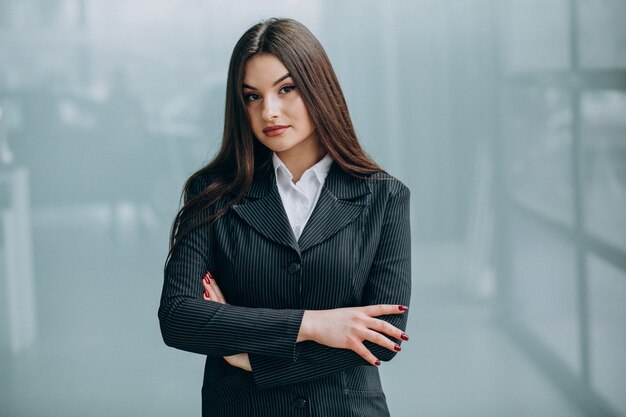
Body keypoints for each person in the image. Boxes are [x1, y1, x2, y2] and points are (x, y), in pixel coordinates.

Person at [158, 17, 412, 417]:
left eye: (286, 89)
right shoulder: (212, 194)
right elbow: (178, 317)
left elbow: (383, 338)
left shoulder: (384, 196)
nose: (269, 111)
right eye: (252, 97)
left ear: (317, 88)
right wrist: (311, 325)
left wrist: (251, 358)